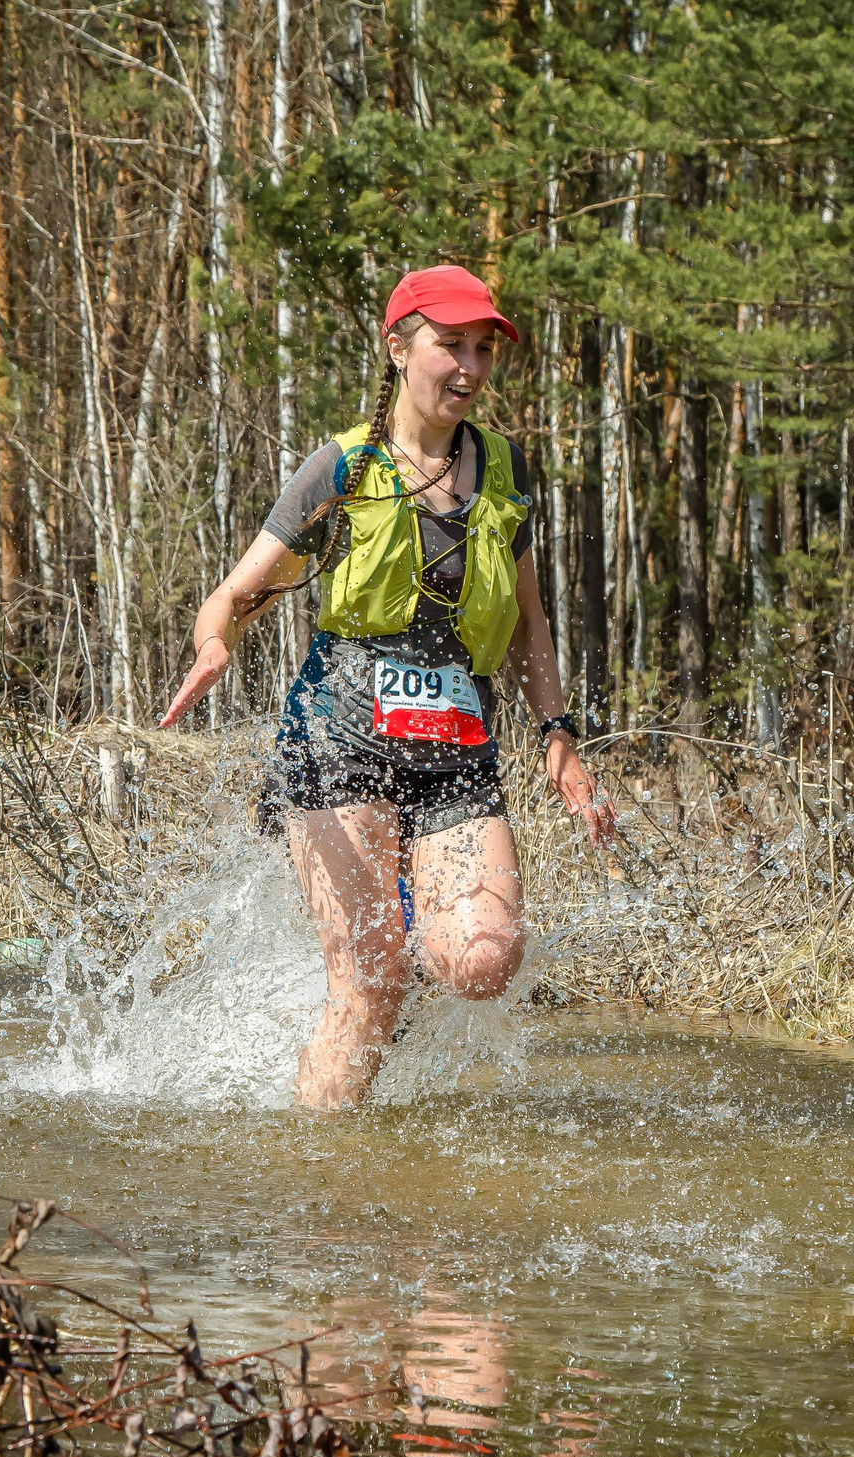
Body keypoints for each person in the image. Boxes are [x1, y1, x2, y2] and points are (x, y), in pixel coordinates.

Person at [159, 265, 616, 1110]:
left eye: (484, 349)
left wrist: (556, 733)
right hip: (339, 742)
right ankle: (325, 1177)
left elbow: (530, 621)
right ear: (399, 346)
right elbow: (233, 594)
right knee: (370, 979)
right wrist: (214, 642)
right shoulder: (344, 466)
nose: (471, 368)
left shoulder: (505, 468)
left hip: (455, 753)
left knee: (482, 958)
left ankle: (393, 994)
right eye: (452, 346)